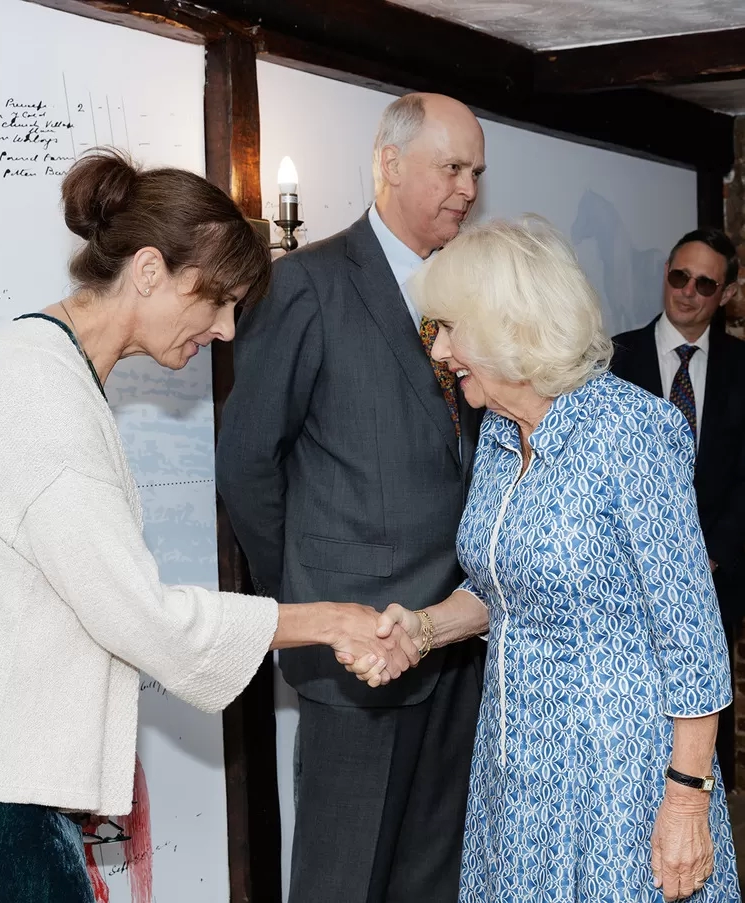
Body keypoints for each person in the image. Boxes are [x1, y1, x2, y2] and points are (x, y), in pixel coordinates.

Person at [0, 149, 419, 903]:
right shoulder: (42, 399)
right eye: (213, 300)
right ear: (149, 270)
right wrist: (332, 619)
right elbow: (142, 616)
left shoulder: (34, 359)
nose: (223, 328)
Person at [350, 217, 740, 901]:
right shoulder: (502, 431)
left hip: (617, 780)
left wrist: (686, 802)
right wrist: (421, 628)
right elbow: (503, 581)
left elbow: (694, 641)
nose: (439, 350)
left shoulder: (631, 433)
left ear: (510, 325)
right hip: (516, 769)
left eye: (449, 328)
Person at [215, 93, 488, 903]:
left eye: (476, 172)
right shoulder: (306, 283)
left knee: (433, 875)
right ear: (389, 164)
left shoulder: (469, 291)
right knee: (345, 877)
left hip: (461, 644)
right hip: (355, 655)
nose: (467, 189)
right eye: (451, 168)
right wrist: (306, 596)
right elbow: (247, 463)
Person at [611, 228, 745, 790]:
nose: (687, 292)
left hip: (718, 580)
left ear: (728, 292)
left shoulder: (743, 367)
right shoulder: (615, 358)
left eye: (705, 283)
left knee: (701, 744)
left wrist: (711, 557)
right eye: (678, 276)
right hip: (627, 581)